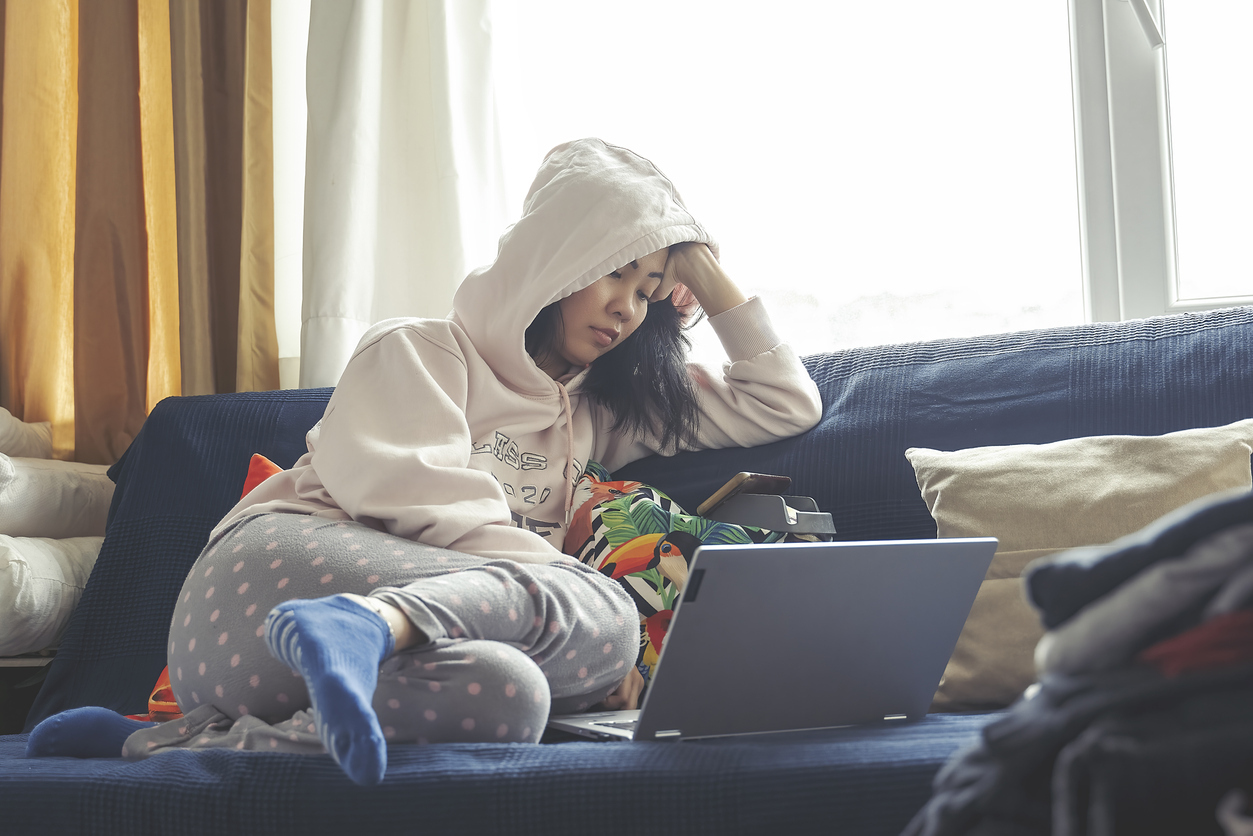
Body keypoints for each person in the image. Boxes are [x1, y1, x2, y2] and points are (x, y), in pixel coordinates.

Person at [26, 139, 823, 785]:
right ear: (554, 258)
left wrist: (699, 263)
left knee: (512, 695)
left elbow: (783, 403)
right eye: (615, 271)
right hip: (259, 592)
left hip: (316, 674)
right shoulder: (418, 349)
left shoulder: (595, 411)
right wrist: (575, 594)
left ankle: (161, 745)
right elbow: (417, 497)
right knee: (608, 617)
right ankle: (362, 620)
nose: (627, 305)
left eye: (649, 289)